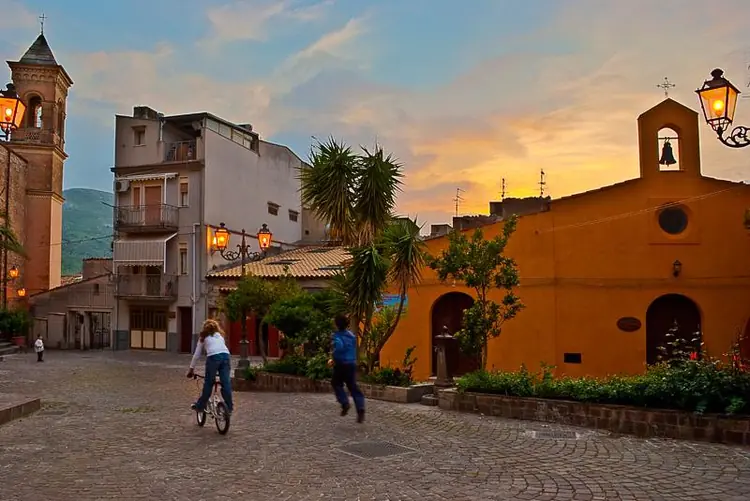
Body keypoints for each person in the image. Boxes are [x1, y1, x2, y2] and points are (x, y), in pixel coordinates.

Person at [186, 319, 233, 415]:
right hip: (226, 356)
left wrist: (191, 369)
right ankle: (229, 407)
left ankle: (200, 406)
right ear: (216, 328)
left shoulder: (203, 337)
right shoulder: (220, 336)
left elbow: (197, 354)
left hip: (213, 358)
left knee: (209, 383)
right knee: (226, 383)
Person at [329, 314, 365, 423]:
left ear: (337, 324)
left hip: (341, 363)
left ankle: (344, 402)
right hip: (351, 363)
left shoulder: (336, 336)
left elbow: (339, 347)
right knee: (353, 386)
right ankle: (360, 407)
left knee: (336, 383)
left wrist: (334, 357)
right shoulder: (352, 335)